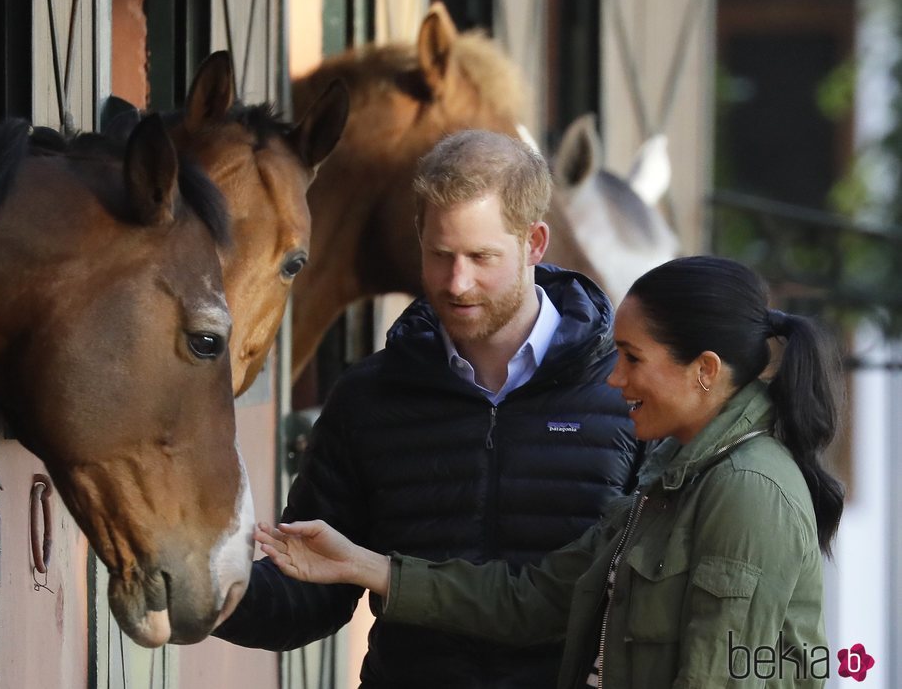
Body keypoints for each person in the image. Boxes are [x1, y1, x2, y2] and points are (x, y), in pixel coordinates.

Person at [255, 255, 846, 689]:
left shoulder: (746, 490)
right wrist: (361, 565)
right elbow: (533, 599)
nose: (614, 379)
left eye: (633, 358)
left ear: (704, 370)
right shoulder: (675, 476)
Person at [213, 130, 643, 686]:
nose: (457, 283)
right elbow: (314, 589)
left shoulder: (624, 393)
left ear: (535, 243)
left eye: (480, 257)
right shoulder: (369, 398)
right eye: (439, 255)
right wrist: (208, 597)